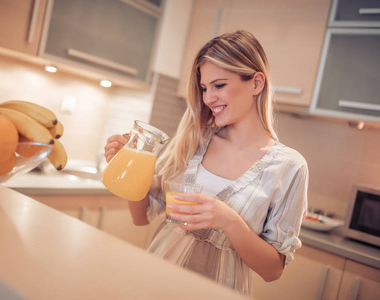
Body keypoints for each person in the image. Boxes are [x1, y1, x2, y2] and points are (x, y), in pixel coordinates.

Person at [103, 30, 308, 296]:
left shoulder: (290, 167)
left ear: (257, 84)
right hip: (154, 281)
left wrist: (229, 221)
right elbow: (141, 217)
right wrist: (130, 169)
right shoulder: (192, 140)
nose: (208, 98)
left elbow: (273, 271)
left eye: (219, 85)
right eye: (204, 87)